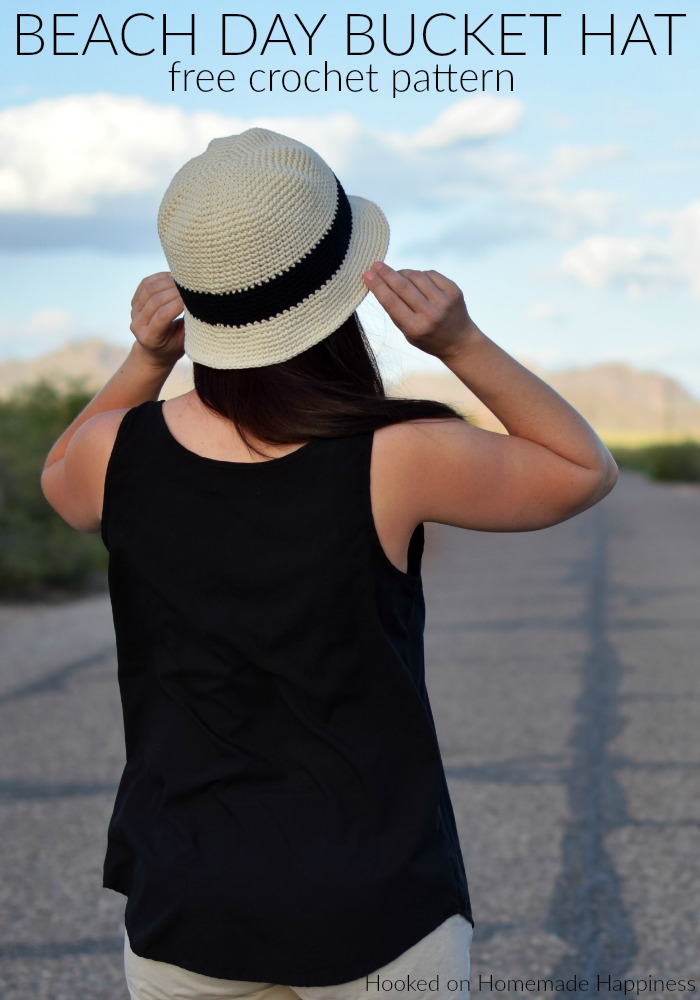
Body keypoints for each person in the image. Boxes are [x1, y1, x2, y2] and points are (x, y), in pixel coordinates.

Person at [40, 129, 618, 1000]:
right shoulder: (398, 453)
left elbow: (59, 474)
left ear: (197, 301)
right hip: (376, 908)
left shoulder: (113, 456)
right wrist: (459, 342)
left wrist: (146, 359)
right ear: (349, 284)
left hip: (185, 901)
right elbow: (584, 469)